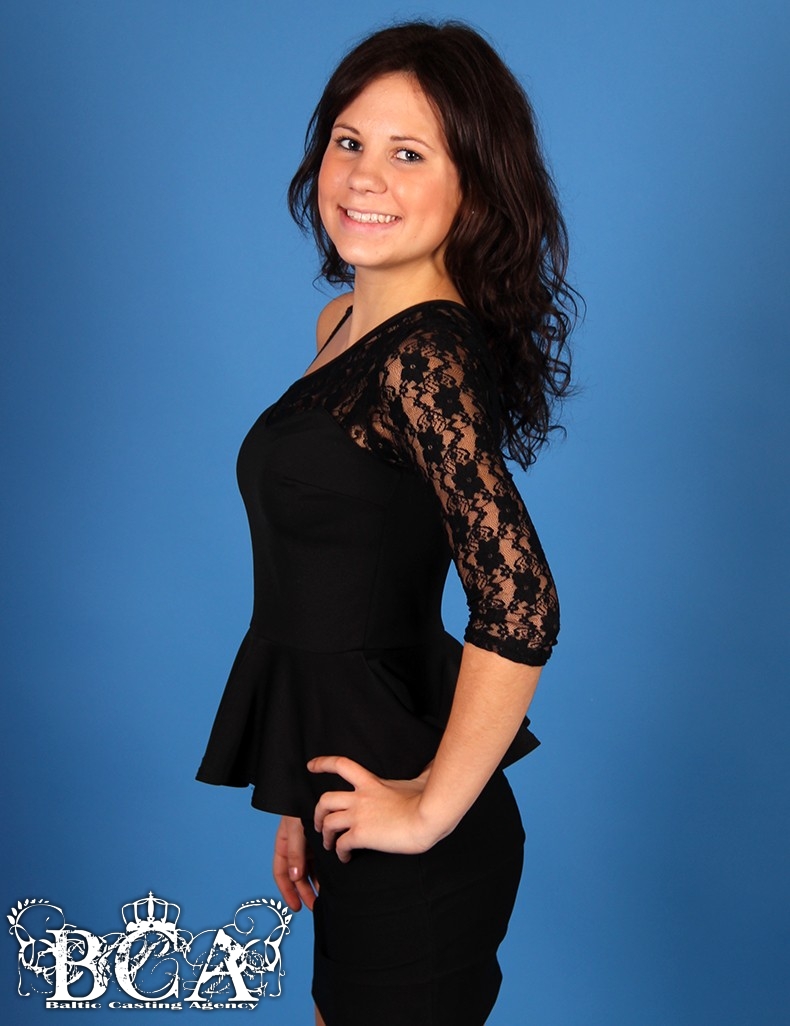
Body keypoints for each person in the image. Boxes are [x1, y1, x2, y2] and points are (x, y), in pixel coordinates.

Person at [196, 19, 577, 1026]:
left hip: (424, 843)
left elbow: (521, 603)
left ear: (474, 188)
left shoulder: (424, 359)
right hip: (346, 796)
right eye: (349, 140)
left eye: (409, 153)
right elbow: (334, 594)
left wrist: (428, 809)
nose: (363, 176)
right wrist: (296, 792)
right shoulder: (345, 327)